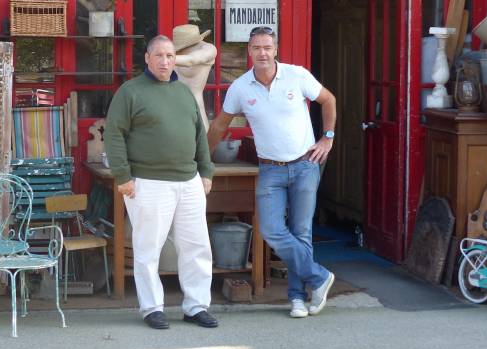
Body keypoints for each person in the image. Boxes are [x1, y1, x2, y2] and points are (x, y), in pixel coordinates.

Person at [208, 26, 337, 319]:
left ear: (275, 49)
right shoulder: (240, 87)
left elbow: (328, 100)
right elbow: (219, 126)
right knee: (271, 230)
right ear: (249, 52)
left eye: (267, 47)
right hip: (270, 170)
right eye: (256, 48)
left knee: (301, 232)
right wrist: (199, 157)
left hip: (305, 164)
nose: (262, 53)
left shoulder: (297, 75)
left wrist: (327, 137)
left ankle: (297, 298)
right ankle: (318, 277)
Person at [104, 35, 218, 330]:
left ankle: (196, 306)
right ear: (147, 58)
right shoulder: (130, 92)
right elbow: (114, 135)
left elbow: (198, 136)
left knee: (197, 247)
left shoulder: (183, 93)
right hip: (147, 182)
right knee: (148, 248)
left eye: (170, 56)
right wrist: (122, 176)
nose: (165, 61)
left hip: (188, 180)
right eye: (159, 56)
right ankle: (152, 308)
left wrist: (206, 171)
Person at [172, 24, 217, 130]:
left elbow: (191, 60)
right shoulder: (172, 51)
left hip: (194, 106)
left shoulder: (208, 49)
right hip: (170, 106)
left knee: (197, 143)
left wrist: (161, 58)